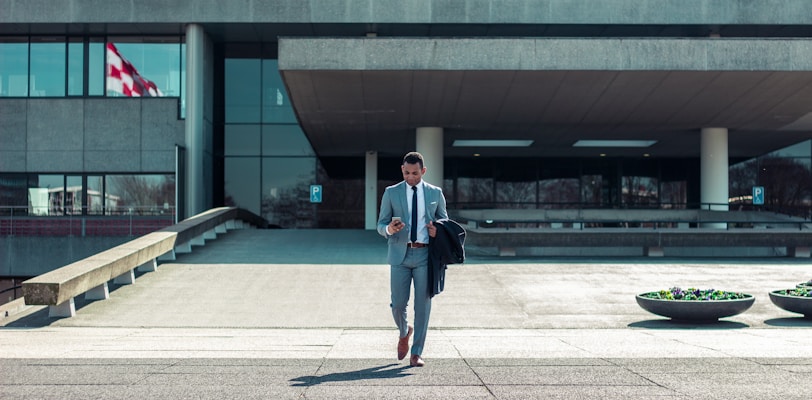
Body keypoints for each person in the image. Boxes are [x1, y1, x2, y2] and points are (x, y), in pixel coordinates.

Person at [377, 151, 448, 367]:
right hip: (400, 254)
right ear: (402, 170)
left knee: (423, 306)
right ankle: (404, 331)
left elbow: (445, 220)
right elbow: (380, 224)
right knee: (398, 305)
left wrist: (438, 230)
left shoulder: (436, 193)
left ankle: (416, 353)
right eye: (407, 173)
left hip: (425, 255)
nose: (411, 177)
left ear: (423, 171)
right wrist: (388, 228)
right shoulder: (391, 192)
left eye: (415, 173)